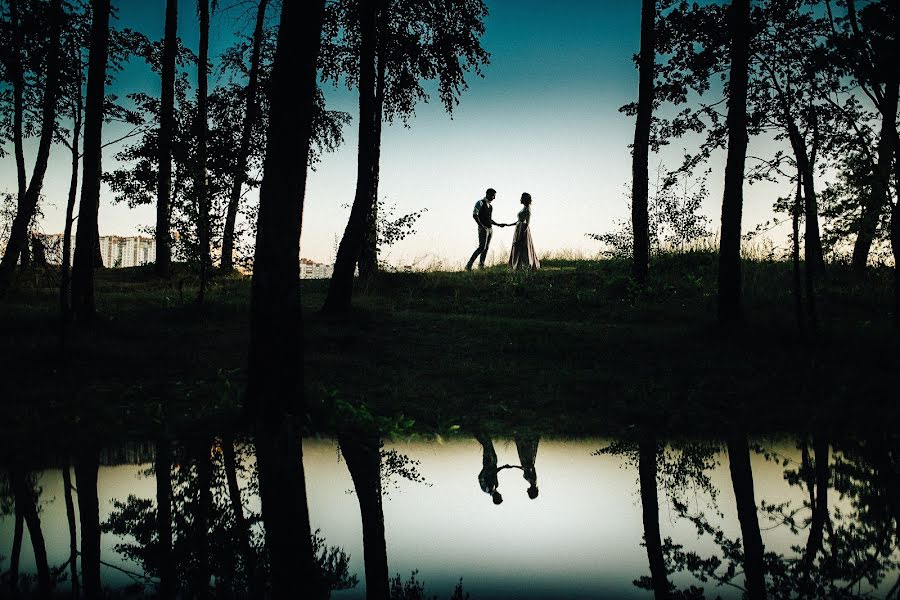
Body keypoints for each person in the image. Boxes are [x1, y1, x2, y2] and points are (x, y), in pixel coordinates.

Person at [466, 188, 508, 271]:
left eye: (494, 196)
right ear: (487, 194)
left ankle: (481, 266)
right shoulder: (480, 202)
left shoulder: (491, 206)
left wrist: (498, 224)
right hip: (483, 229)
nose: (494, 198)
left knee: (486, 248)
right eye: (493, 196)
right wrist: (481, 226)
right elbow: (475, 214)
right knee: (482, 247)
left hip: (490, 229)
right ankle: (469, 265)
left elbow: (489, 219)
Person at [475, 433, 513, 505]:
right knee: (488, 443)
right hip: (494, 462)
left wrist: (485, 467)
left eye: (500, 497)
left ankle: (475, 431)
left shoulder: (486, 489)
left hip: (488, 462)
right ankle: (479, 431)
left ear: (496, 498)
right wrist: (503, 467)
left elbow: (480, 477)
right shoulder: (496, 485)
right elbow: (494, 472)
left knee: (487, 445)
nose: (500, 495)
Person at [507, 192, 540, 270]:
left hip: (522, 229)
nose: (520, 199)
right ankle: (518, 264)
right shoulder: (524, 208)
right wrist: (508, 224)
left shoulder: (527, 209)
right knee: (518, 246)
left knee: (523, 246)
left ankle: (524, 264)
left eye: (522, 198)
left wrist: (522, 234)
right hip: (519, 228)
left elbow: (527, 223)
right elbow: (519, 221)